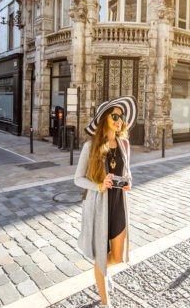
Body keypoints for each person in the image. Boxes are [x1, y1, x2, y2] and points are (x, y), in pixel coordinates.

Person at [74, 96, 137, 308]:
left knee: (117, 256)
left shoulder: (124, 144)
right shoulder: (91, 146)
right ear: (105, 119)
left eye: (122, 117)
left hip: (119, 204)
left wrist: (128, 182)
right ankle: (105, 301)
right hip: (99, 207)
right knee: (101, 256)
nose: (120, 120)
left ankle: (103, 270)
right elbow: (78, 179)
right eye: (116, 116)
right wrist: (100, 185)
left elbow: (126, 172)